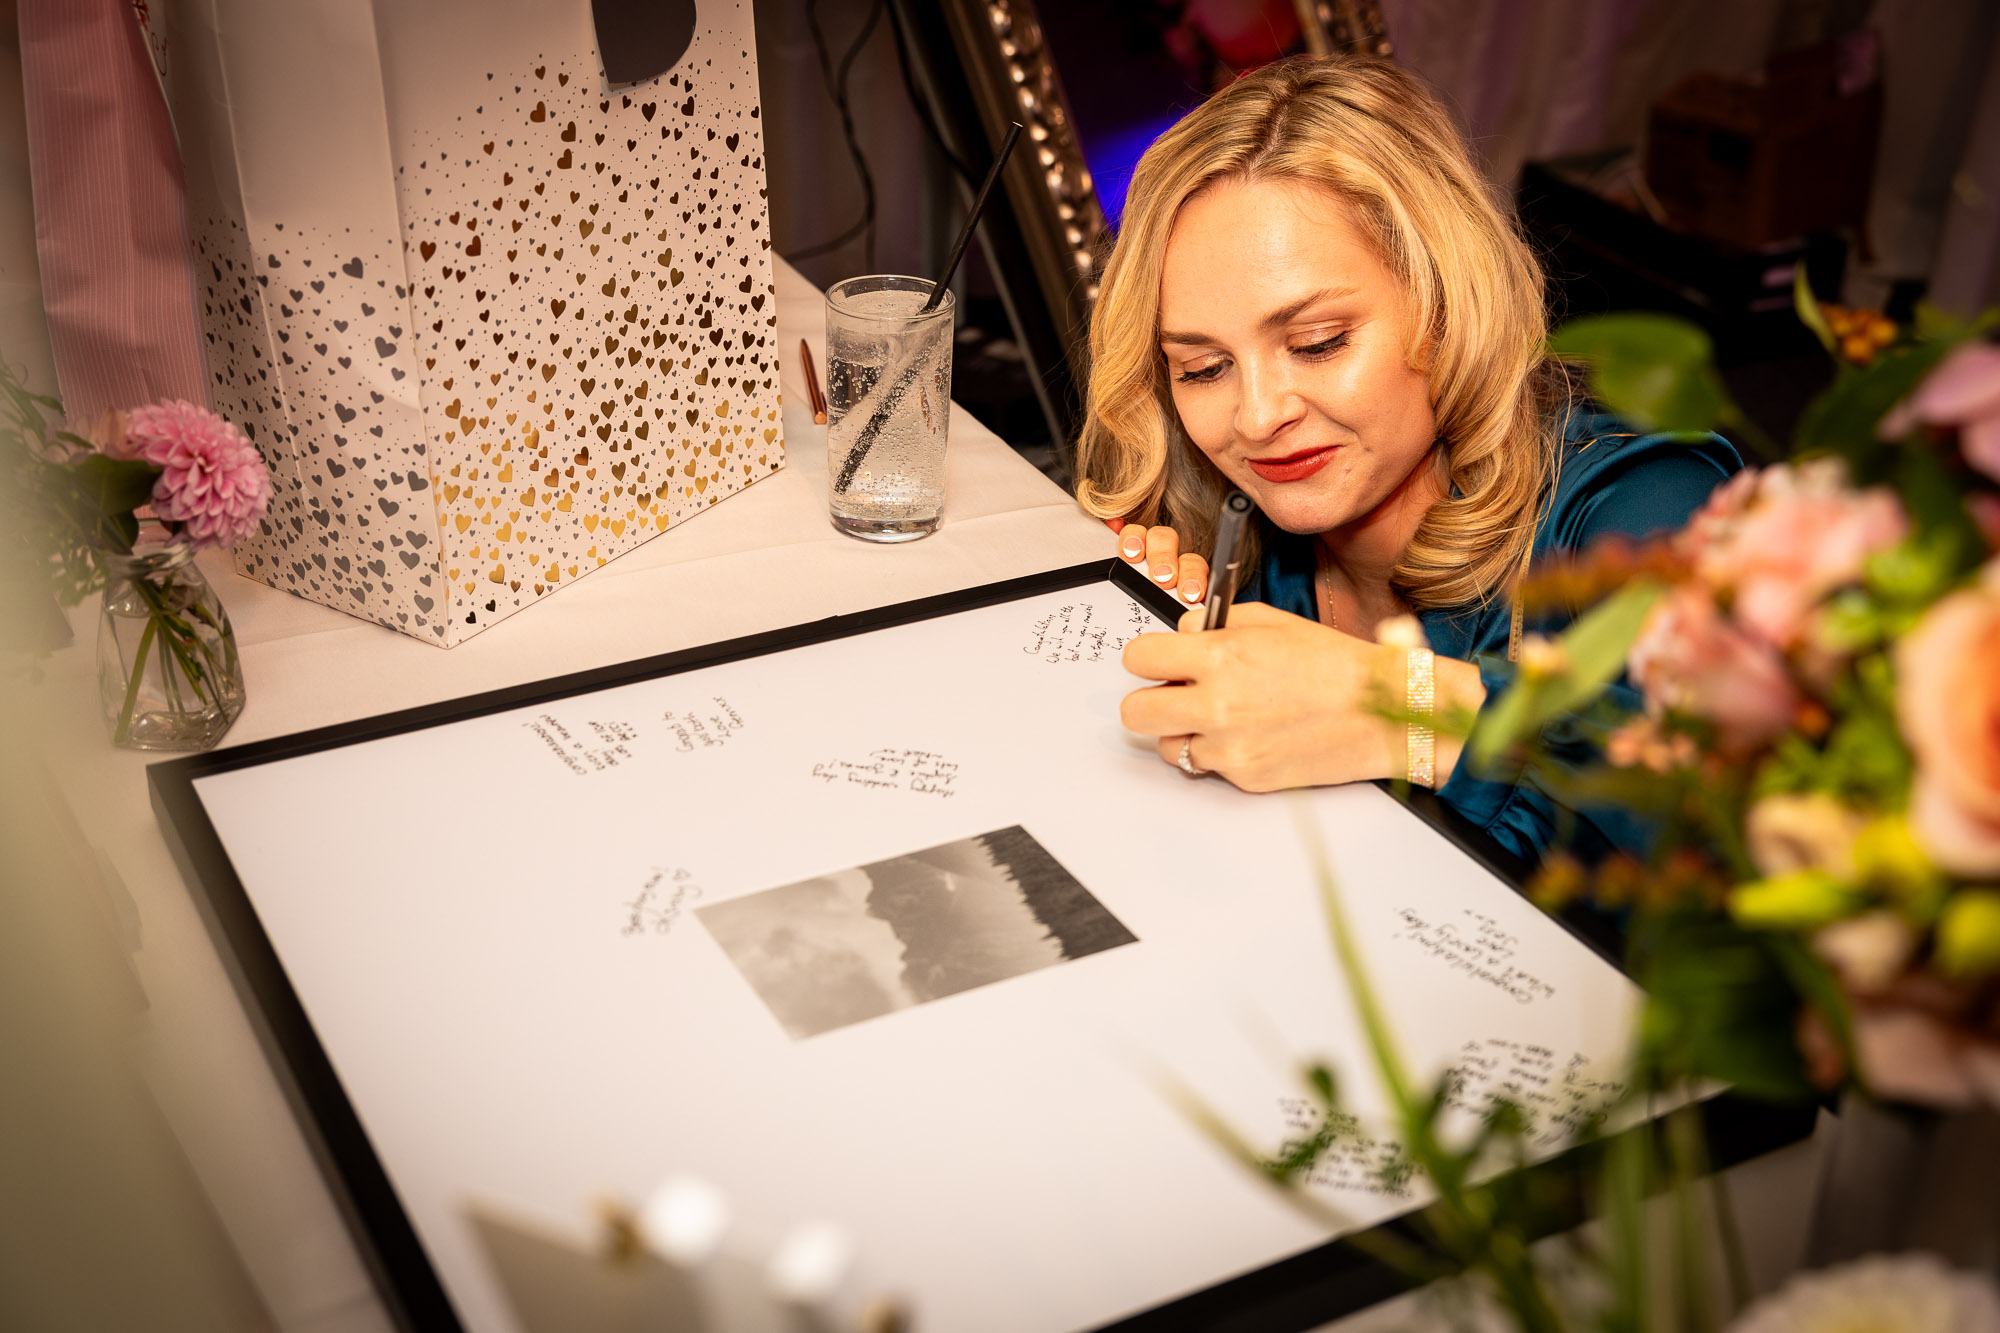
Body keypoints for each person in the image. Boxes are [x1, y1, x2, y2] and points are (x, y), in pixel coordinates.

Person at [1076, 56, 1740, 864]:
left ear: (1445, 305)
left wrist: (1401, 710)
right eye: (1204, 368)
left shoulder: (1653, 512)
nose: (1256, 416)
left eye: (1317, 344)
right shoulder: (1242, 538)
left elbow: (1741, 853)